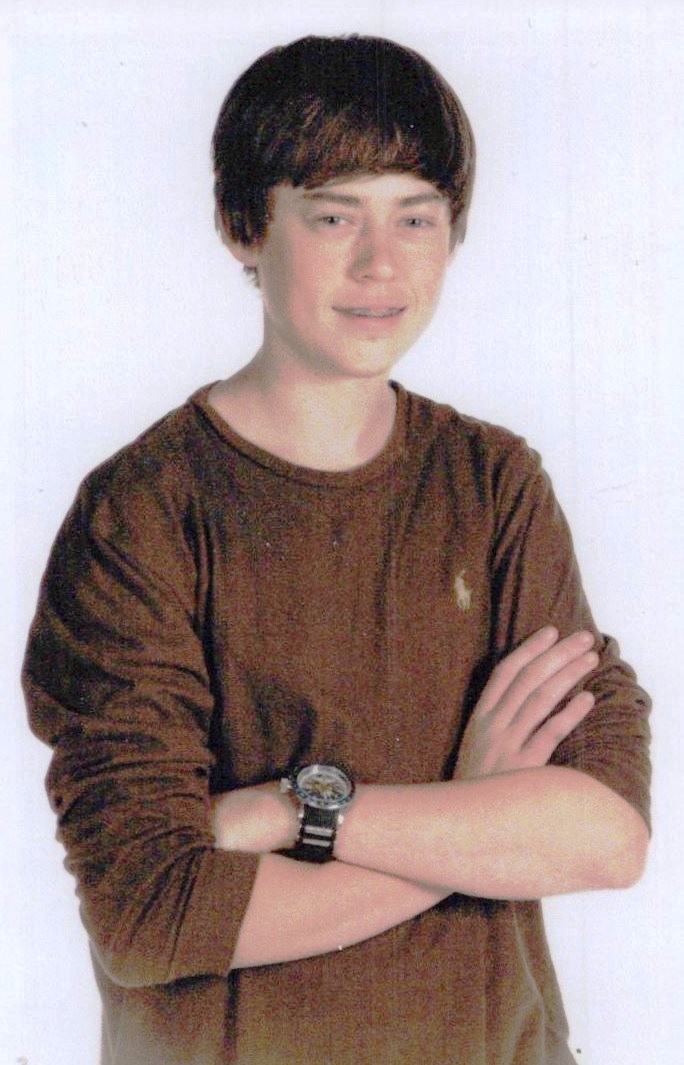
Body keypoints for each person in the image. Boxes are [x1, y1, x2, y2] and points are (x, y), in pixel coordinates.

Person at [23, 34, 651, 1065]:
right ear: (243, 226)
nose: (381, 264)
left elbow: (606, 837)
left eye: (417, 217)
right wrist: (472, 815)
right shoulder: (142, 513)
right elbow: (149, 914)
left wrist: (294, 813)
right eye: (332, 216)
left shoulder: (495, 485)